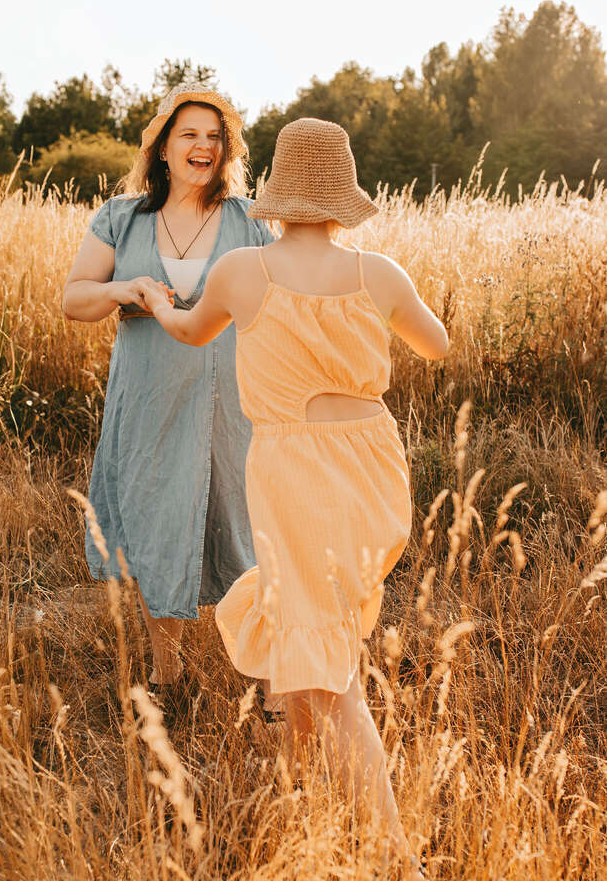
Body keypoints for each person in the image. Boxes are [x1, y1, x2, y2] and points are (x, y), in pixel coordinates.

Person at [137, 118, 448, 877]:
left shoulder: (243, 270)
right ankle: (308, 806)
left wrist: (155, 301)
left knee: (324, 659)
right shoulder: (378, 271)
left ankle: (395, 854)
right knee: (312, 629)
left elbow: (188, 331)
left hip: (294, 467)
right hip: (372, 462)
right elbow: (434, 343)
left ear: (276, 196)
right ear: (343, 199)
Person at [62, 82, 273, 688]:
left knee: (241, 525)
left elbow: (278, 299)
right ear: (161, 148)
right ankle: (168, 675)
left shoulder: (249, 219)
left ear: (226, 149)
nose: (203, 146)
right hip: (150, 395)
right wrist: (125, 291)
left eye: (214, 137)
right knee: (157, 516)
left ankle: (263, 678)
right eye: (190, 135)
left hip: (231, 401)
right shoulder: (121, 217)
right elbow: (74, 299)